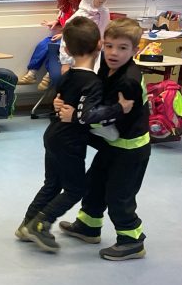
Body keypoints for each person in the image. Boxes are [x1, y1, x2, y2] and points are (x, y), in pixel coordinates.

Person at [15, 16, 134, 252]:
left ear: (67, 49)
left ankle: (26, 224)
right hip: (70, 141)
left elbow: (60, 101)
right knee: (75, 188)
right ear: (100, 45)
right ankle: (40, 225)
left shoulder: (65, 75)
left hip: (53, 134)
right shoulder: (93, 82)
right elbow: (88, 114)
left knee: (52, 183)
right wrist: (119, 109)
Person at [56, 18, 151, 261]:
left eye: (122, 48)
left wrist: (76, 117)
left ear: (135, 50)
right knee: (94, 184)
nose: (113, 53)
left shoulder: (128, 80)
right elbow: (94, 101)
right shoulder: (107, 69)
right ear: (101, 45)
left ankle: (132, 240)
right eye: (109, 46)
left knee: (119, 195)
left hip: (130, 149)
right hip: (112, 145)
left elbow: (107, 116)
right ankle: (88, 226)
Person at [20, 0, 89, 86]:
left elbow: (79, 28)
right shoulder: (67, 7)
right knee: (44, 44)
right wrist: (57, 22)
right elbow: (63, 19)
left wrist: (63, 35)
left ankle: (49, 76)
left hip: (72, 40)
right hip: (63, 36)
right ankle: (32, 73)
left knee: (55, 48)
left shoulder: (83, 10)